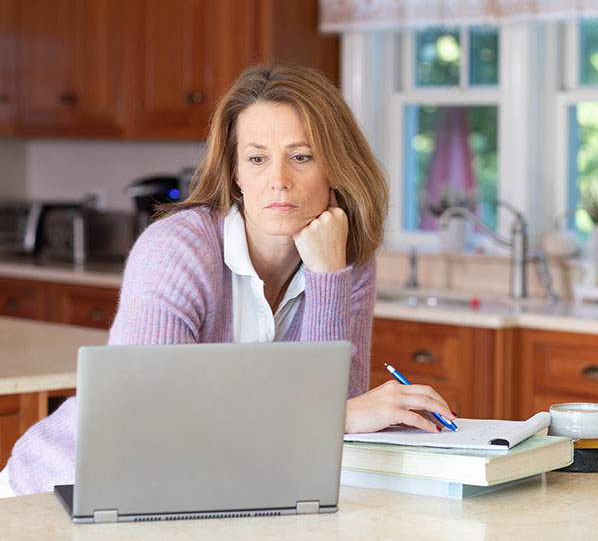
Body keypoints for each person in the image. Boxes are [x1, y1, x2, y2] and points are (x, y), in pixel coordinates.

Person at [4, 64, 456, 496]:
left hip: (210, 495)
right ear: (236, 172)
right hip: (63, 490)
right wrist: (331, 417)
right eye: (257, 158)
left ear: (335, 166)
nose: (278, 180)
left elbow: (330, 424)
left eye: (301, 157)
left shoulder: (343, 260)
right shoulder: (176, 249)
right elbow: (147, 419)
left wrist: (327, 278)